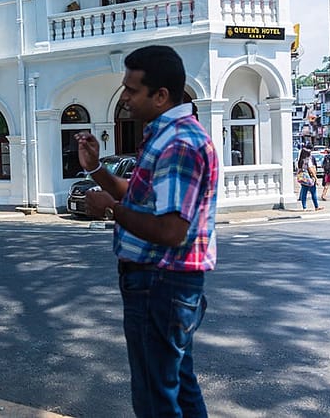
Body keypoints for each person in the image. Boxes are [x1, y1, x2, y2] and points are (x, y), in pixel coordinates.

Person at [75, 45, 217, 417]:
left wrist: (110, 208)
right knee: (178, 384)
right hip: (165, 284)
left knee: (156, 395)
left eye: (132, 90)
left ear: (161, 96)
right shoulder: (167, 136)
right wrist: (97, 171)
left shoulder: (179, 144)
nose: (124, 98)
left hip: (161, 283)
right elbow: (143, 199)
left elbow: (171, 230)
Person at [296, 147, 323, 211]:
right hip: (309, 177)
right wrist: (316, 178)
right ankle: (316, 206)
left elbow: (299, 169)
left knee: (304, 192)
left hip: (303, 178)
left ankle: (304, 207)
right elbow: (311, 169)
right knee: (313, 192)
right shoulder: (308, 160)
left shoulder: (300, 160)